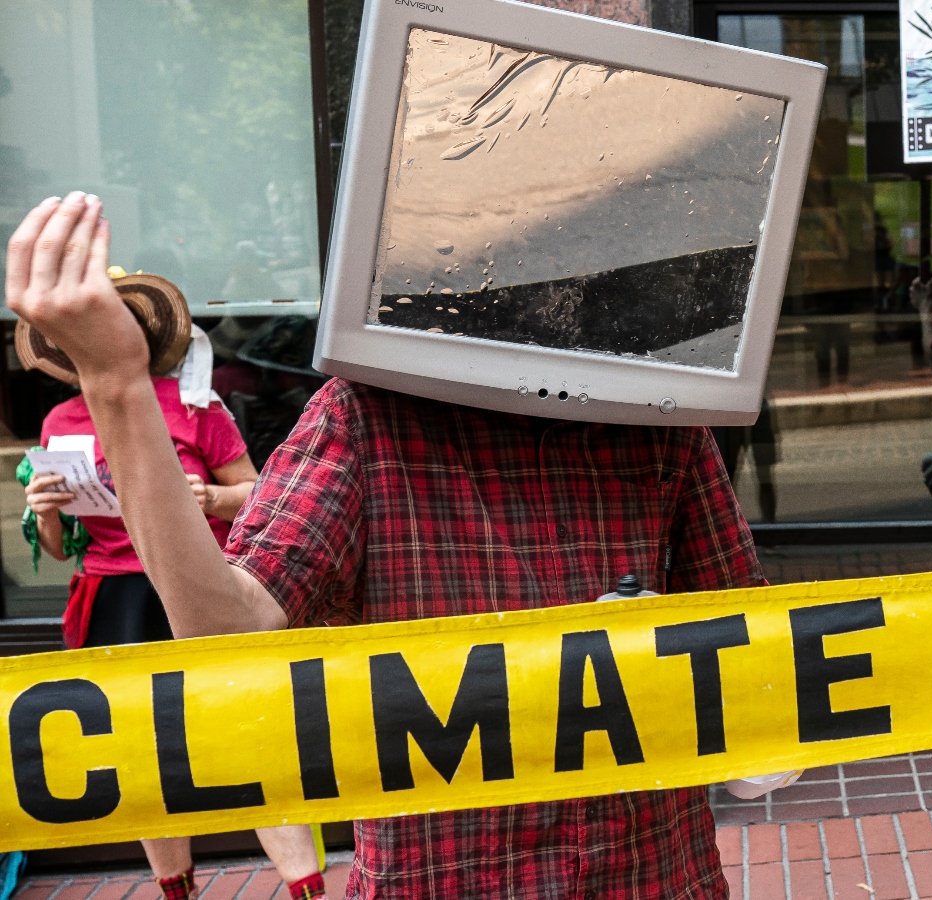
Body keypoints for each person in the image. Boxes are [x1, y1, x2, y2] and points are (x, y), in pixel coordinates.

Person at [7, 192, 761, 898]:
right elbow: (223, 631)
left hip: (652, 872)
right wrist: (115, 384)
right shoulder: (361, 419)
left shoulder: (659, 421)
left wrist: (676, 662)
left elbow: (761, 681)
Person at [17, 273, 324, 900]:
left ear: (137, 330)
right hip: (112, 601)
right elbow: (56, 551)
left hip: (196, 592)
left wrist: (212, 496)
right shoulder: (59, 420)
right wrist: (45, 510)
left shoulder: (194, 406)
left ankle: (307, 888)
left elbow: (260, 497)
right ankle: (175, 889)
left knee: (250, 740)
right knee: (137, 754)